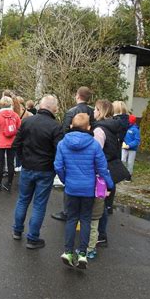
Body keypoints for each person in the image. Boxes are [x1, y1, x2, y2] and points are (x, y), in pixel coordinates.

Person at [54, 114, 114, 269]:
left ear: (72, 126)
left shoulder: (62, 144)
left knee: (71, 219)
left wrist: (66, 180)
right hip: (88, 189)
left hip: (71, 188)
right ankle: (82, 254)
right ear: (88, 127)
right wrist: (110, 184)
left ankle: (67, 252)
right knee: (86, 220)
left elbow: (58, 166)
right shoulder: (94, 145)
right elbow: (102, 168)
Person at [11, 95, 63, 249]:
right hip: (45, 170)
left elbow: (16, 145)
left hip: (27, 167)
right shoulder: (56, 127)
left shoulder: (26, 122)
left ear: (41, 106)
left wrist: (23, 159)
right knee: (39, 205)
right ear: (53, 108)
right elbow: (59, 150)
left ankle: (17, 231)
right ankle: (33, 238)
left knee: (23, 200)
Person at [52, 86, 95, 221]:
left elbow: (64, 132)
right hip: (89, 148)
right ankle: (84, 211)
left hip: (71, 150)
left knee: (70, 180)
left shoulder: (71, 112)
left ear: (77, 96)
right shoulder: (93, 112)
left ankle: (68, 212)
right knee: (87, 176)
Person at [93, 99, 122, 247]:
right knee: (103, 203)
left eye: (95, 109)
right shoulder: (113, 127)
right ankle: (99, 233)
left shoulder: (99, 130)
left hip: (102, 171)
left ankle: (100, 235)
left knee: (100, 204)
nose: (93, 112)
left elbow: (96, 152)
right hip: (110, 168)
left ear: (100, 111)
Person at [0, 96, 21, 191]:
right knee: (11, 163)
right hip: (12, 143)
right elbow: (20, 129)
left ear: (1, 104)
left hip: (0, 143)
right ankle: (9, 184)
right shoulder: (15, 115)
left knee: (0, 164)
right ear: (11, 104)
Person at [122, 114, 141, 179]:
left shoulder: (135, 130)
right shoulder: (125, 128)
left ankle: (128, 176)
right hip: (124, 147)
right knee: (122, 160)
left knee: (130, 163)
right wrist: (123, 142)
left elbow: (137, 140)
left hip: (132, 149)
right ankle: (123, 174)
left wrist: (129, 145)